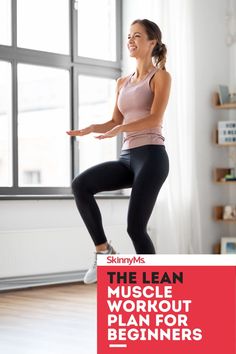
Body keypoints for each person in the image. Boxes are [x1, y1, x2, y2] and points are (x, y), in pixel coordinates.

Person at [66, 19, 171, 284]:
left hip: (152, 157)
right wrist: (92, 127)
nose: (131, 40)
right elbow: (115, 121)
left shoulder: (160, 76)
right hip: (127, 158)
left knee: (135, 228)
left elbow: (154, 118)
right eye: (128, 36)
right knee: (81, 185)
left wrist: (121, 127)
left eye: (137, 36)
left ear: (152, 42)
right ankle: (103, 251)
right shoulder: (122, 82)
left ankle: (155, 290)